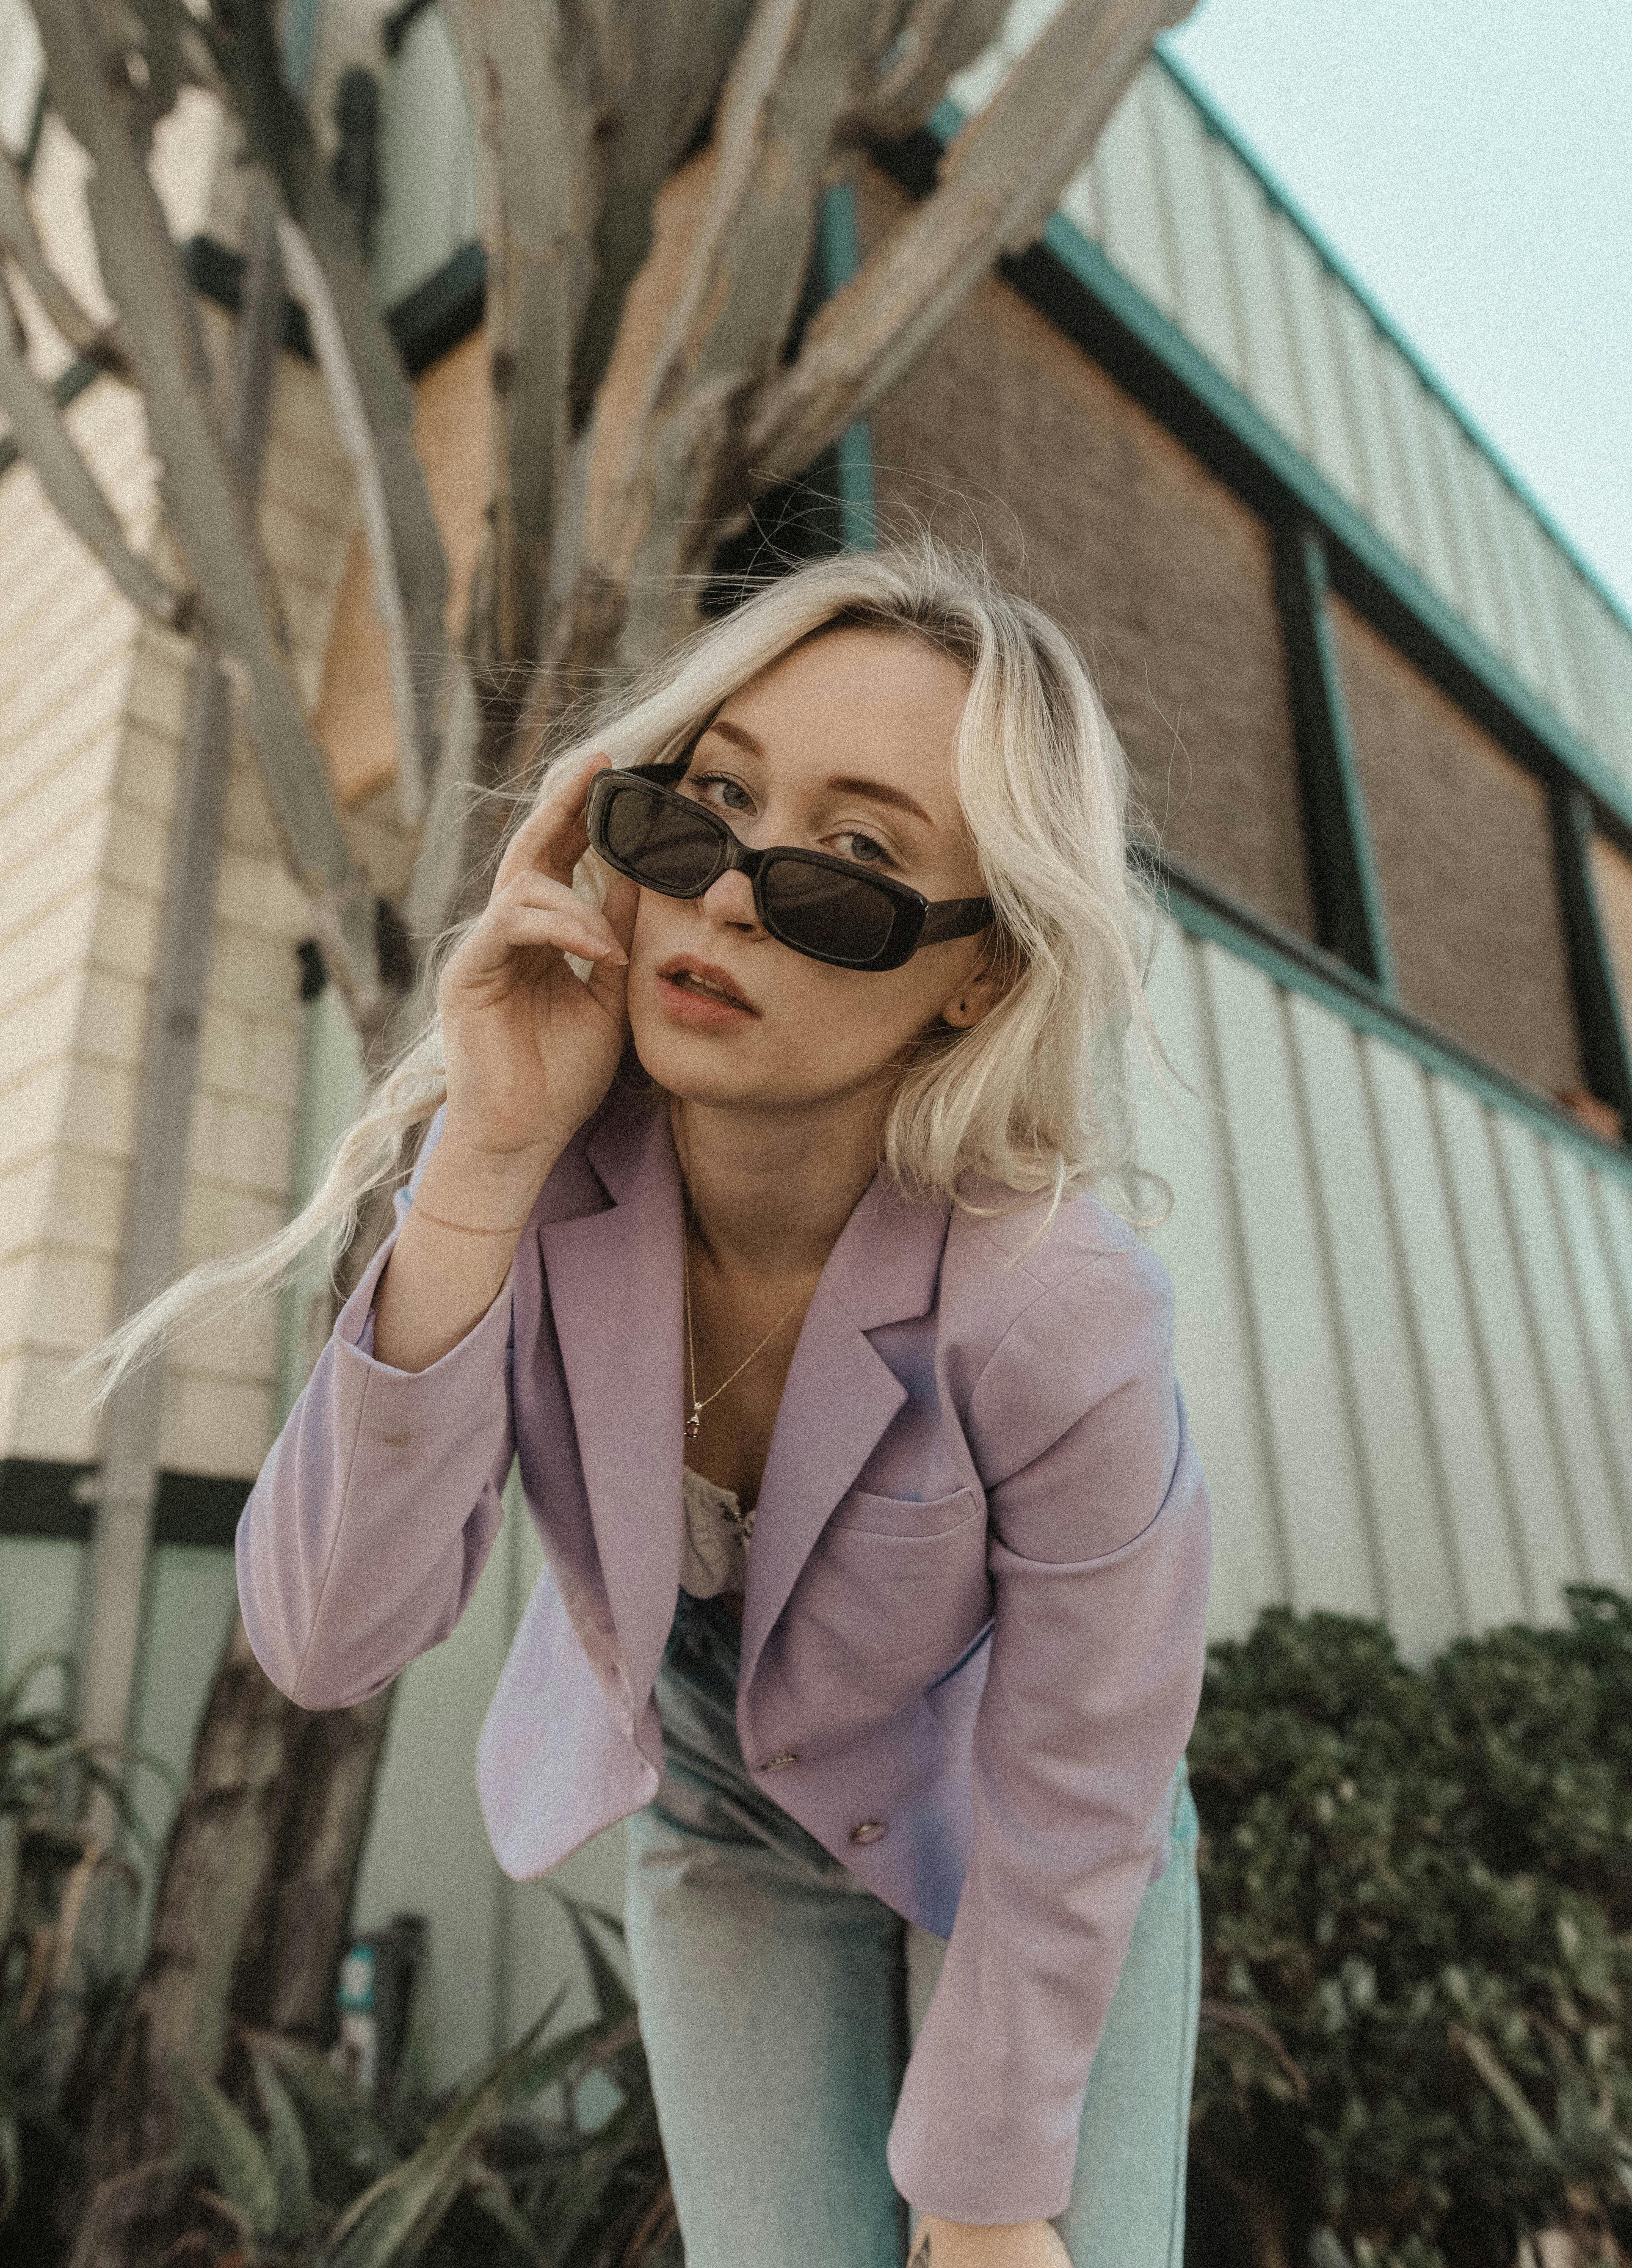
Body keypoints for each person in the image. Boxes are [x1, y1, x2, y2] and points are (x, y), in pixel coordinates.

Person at [99, 541, 1211, 2268]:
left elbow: (1081, 1773)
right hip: (720, 1813)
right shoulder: (534, 1175)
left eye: (854, 859)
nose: (732, 897)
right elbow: (325, 1642)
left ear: (978, 972)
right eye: (702, 809)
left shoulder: (1052, 1305)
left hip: (1021, 1835)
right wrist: (478, 1156)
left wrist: (985, 2196)